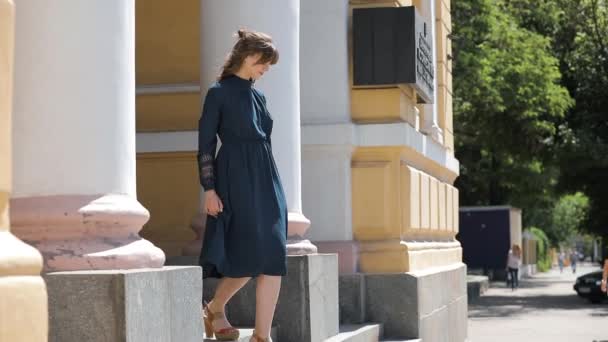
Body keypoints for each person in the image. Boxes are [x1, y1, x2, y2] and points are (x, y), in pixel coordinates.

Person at [197, 28, 285, 342]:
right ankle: (216, 308)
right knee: (249, 253)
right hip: (234, 177)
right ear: (247, 56)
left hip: (266, 178)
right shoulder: (218, 93)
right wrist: (209, 187)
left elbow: (265, 142)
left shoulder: (259, 96)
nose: (266, 69)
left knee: (273, 253)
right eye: (264, 62)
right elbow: (206, 144)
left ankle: (261, 336)